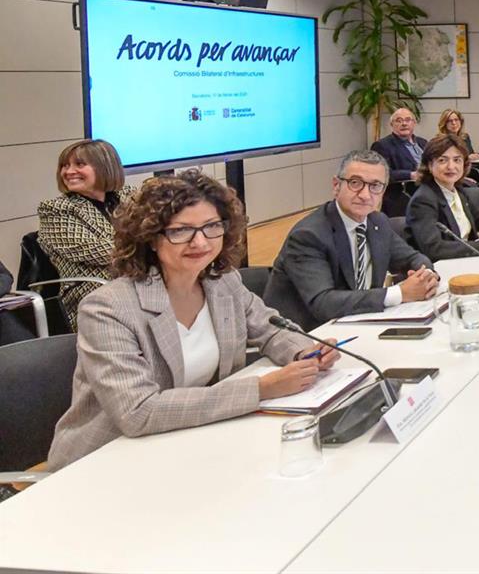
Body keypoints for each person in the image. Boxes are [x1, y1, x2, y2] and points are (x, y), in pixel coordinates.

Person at [46, 170, 339, 470]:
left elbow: (271, 329)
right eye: (181, 231)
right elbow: (138, 411)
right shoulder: (107, 308)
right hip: (107, 461)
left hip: (190, 443)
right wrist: (261, 389)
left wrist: (305, 350)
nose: (200, 242)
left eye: (212, 226)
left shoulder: (223, 282)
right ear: (150, 238)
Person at [264, 150, 438, 331]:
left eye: (375, 185)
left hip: (360, 324)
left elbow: (413, 258)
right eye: (355, 183)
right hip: (308, 337)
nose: (365, 194)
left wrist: (427, 277)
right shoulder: (308, 236)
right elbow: (323, 303)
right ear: (336, 185)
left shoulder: (377, 222)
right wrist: (399, 293)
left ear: (383, 191)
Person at [37, 140, 136, 329]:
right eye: (65, 166)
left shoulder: (129, 195)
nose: (69, 171)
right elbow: (98, 252)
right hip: (94, 294)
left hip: (138, 283)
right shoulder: (55, 209)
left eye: (79, 164)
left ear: (105, 167)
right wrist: (146, 244)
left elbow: (159, 232)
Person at [406, 134, 479, 262]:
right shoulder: (423, 200)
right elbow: (434, 249)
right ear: (429, 165)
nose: (451, 166)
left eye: (457, 160)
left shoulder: (457, 190)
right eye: (442, 160)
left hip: (466, 261)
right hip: (444, 268)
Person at [371, 107, 427, 216]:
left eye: (407, 120)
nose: (404, 124)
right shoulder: (382, 146)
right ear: (392, 125)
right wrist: (411, 175)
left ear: (414, 123)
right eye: (399, 120)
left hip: (427, 190)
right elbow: (383, 173)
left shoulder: (423, 143)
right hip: (402, 195)